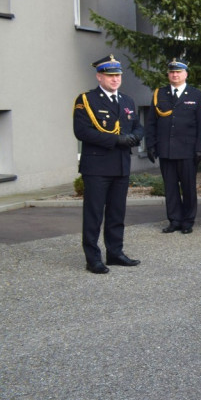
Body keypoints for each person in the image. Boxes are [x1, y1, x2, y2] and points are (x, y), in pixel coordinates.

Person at [73, 55, 144, 274]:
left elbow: (137, 126)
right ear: (99, 77)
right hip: (97, 167)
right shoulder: (86, 100)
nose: (115, 80)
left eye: (118, 75)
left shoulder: (126, 101)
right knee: (94, 214)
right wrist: (116, 140)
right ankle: (93, 258)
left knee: (116, 213)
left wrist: (135, 137)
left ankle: (115, 253)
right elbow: (82, 132)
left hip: (121, 165)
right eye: (110, 76)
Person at [145, 58, 201, 235]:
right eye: (172, 72)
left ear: (186, 74)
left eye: (178, 72)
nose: (175, 75)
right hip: (166, 149)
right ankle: (174, 219)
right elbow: (151, 122)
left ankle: (188, 220)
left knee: (188, 187)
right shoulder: (160, 94)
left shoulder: (196, 95)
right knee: (170, 187)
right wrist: (150, 144)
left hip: (188, 150)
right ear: (168, 74)